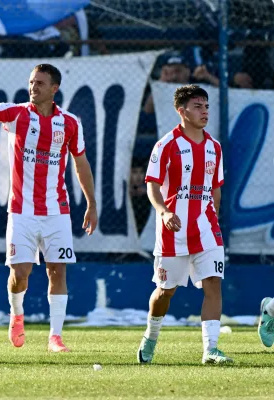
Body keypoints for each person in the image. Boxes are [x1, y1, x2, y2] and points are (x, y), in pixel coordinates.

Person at [0, 60, 98, 352]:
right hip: (22, 211)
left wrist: (92, 203)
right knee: (20, 275)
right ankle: (16, 315)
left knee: (57, 271)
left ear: (54, 89)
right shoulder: (17, 114)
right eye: (31, 82)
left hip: (57, 210)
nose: (33, 87)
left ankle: (55, 337)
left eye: (40, 83)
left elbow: (80, 163)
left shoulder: (70, 122)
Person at [137, 84, 232, 365]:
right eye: (197, 107)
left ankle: (210, 350)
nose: (204, 112)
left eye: (206, 106)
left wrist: (213, 215)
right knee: (165, 292)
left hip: (206, 229)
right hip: (173, 231)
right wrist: (164, 213)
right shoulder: (166, 144)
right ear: (182, 111)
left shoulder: (214, 147)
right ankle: (151, 336)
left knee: (213, 284)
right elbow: (152, 185)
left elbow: (216, 187)